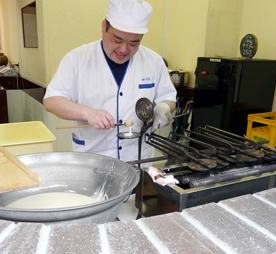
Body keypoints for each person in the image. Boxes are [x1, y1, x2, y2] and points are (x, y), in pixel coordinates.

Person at [43, 0, 177, 162]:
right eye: (117, 40)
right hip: (93, 160)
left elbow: (168, 97)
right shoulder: (77, 59)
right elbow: (51, 101)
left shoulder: (153, 61)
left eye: (134, 43)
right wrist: (89, 113)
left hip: (138, 159)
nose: (124, 49)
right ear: (103, 27)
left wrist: (163, 107)